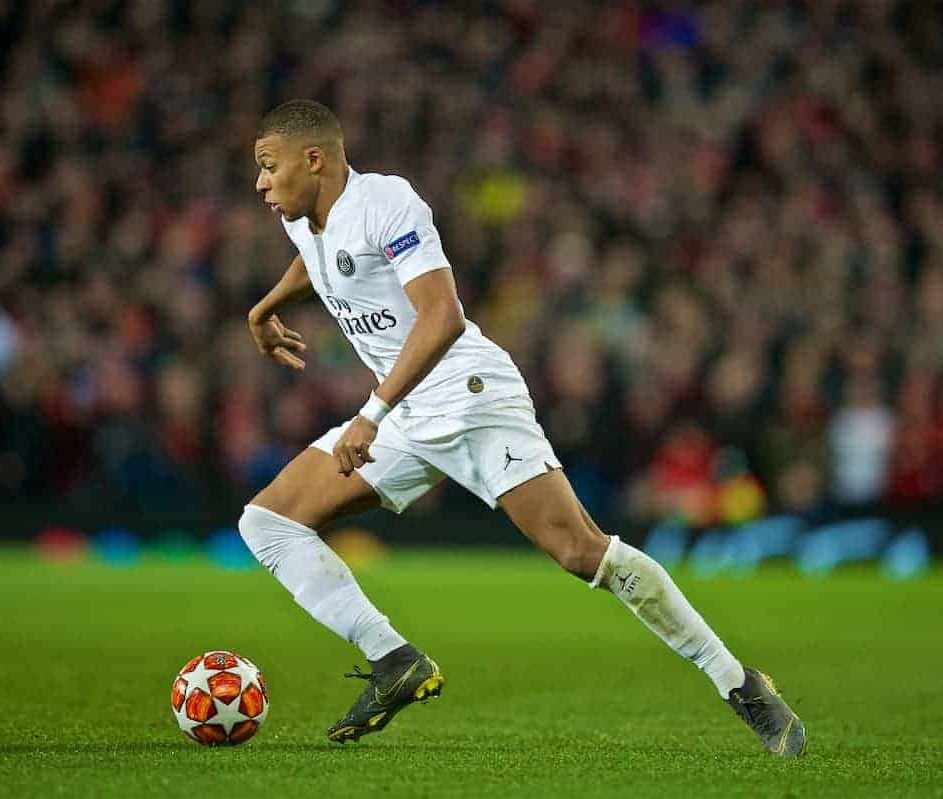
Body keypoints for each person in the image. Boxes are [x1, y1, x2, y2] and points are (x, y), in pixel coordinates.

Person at [239, 99, 805, 756]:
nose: (259, 183)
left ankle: (740, 683)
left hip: (469, 397)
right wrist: (267, 306)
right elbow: (323, 256)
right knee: (268, 520)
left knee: (581, 551)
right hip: (408, 412)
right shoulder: (305, 217)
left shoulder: (385, 200)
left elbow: (442, 314)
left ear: (315, 160)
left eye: (268, 166)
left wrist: (370, 414)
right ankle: (395, 659)